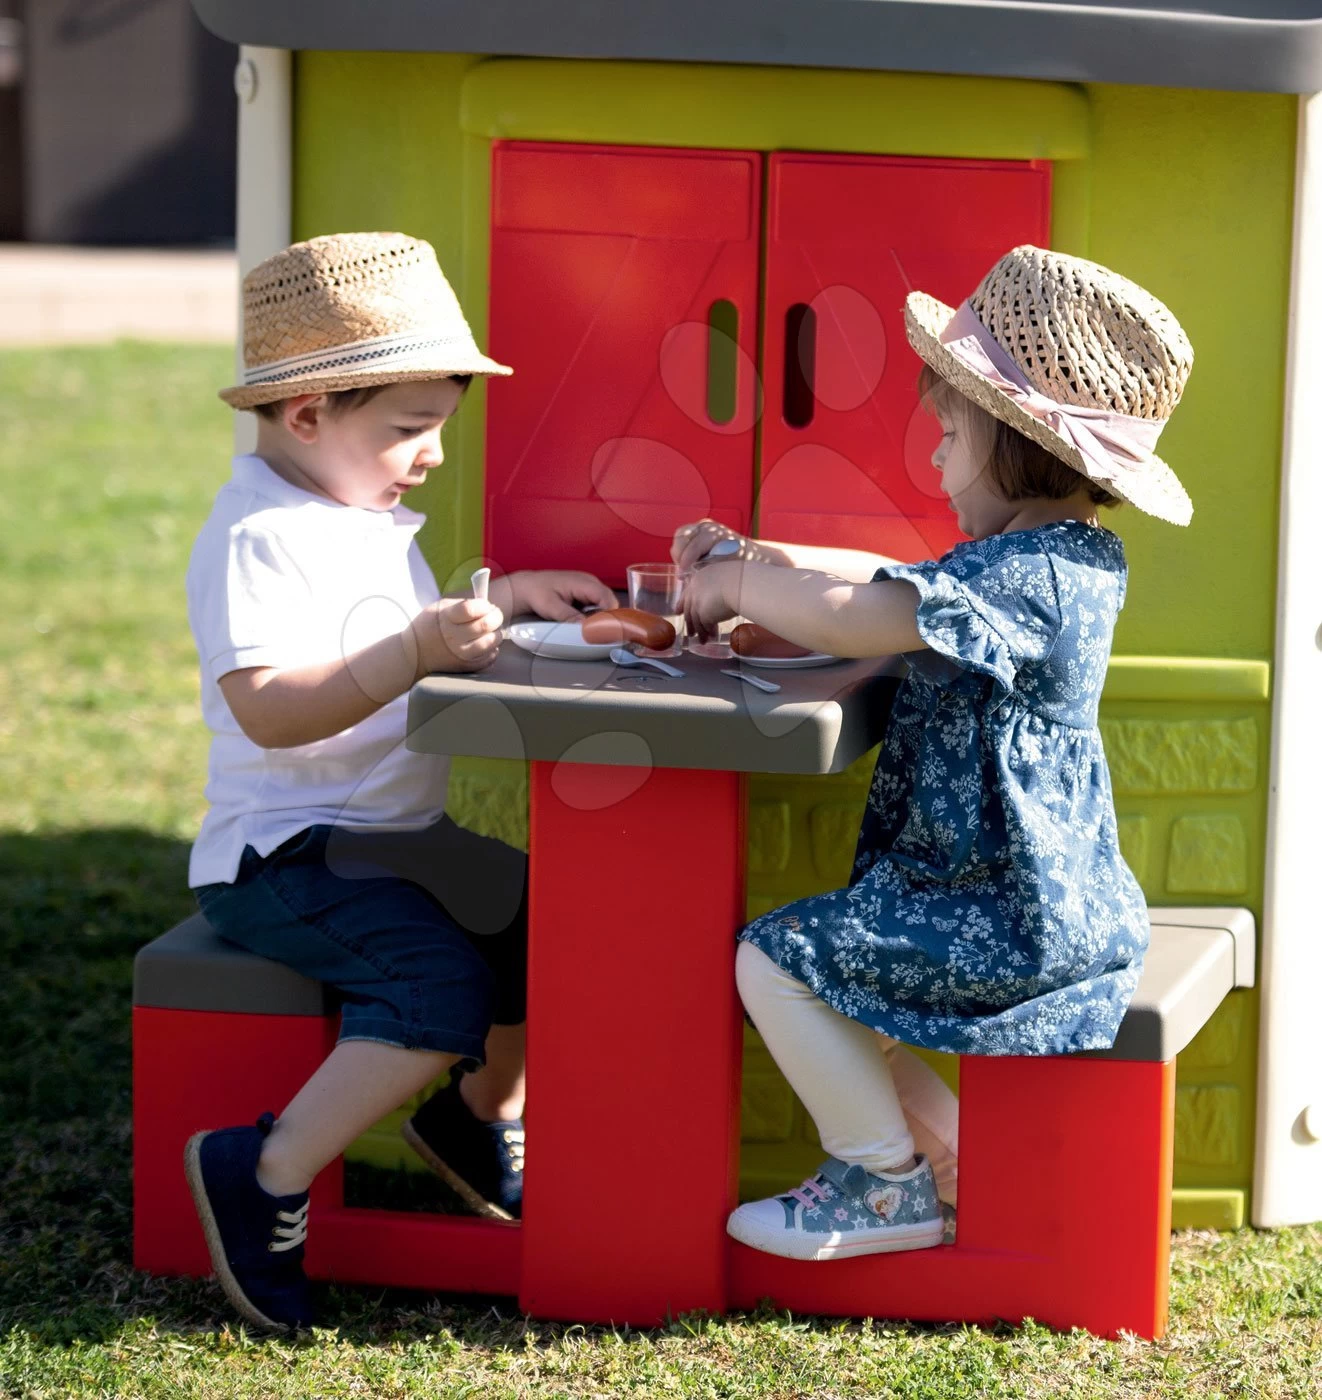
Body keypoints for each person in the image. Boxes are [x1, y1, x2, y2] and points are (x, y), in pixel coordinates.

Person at [676, 245, 1194, 1261]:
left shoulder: (1035, 577)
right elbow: (892, 580)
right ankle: (951, 1170)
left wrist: (736, 585)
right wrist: (770, 557)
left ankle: (879, 1182)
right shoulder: (1052, 556)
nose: (934, 460)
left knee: (775, 960)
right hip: (1026, 900)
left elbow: (864, 614)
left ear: (1013, 440)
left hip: (1012, 917)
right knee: (835, 975)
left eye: (949, 434)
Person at [182, 232, 616, 1329]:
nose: (430, 454)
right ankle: (263, 1172)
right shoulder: (258, 536)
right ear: (307, 413)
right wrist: (416, 651)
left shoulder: (359, 513)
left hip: (392, 839)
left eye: (438, 426)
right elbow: (270, 708)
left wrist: (504, 599)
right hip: (286, 855)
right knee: (434, 988)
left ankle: (475, 1112)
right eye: (408, 428)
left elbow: (391, 631)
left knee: (553, 918)